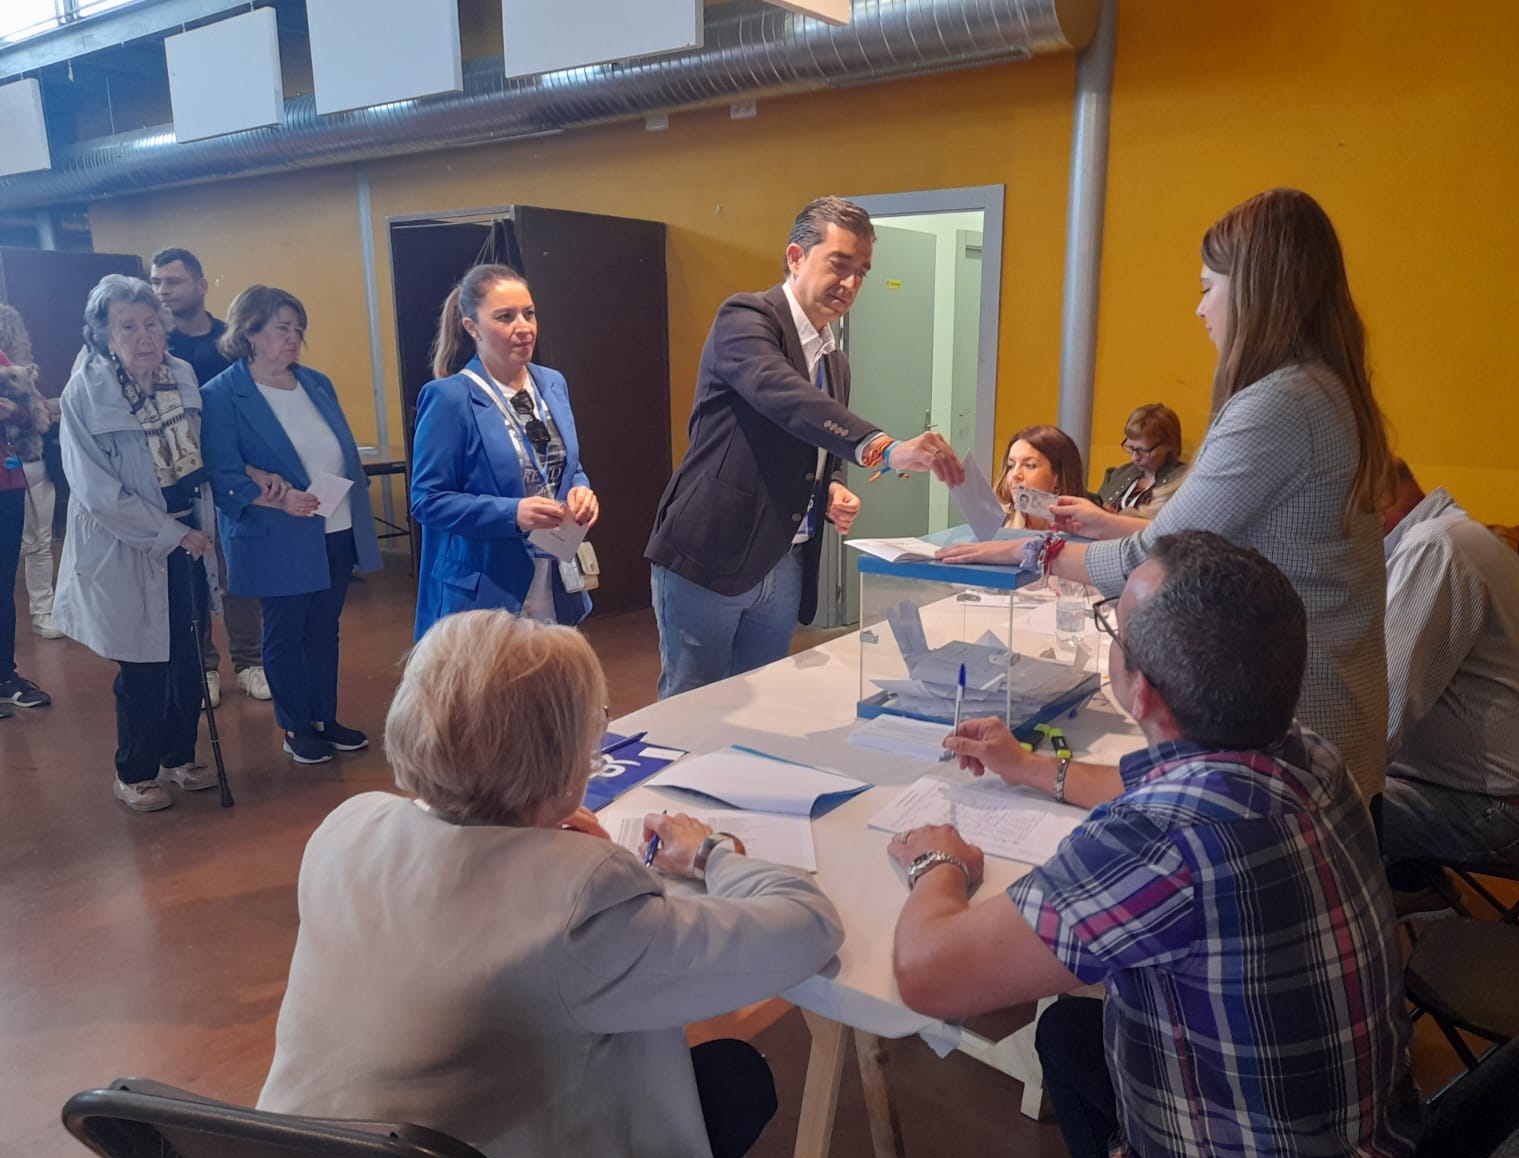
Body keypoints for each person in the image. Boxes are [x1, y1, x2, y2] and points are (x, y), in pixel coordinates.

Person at [873, 531, 1419, 1158]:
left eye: (1115, 630)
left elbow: (928, 978)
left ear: (1142, 696)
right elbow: (1174, 789)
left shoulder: (1162, 838)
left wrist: (937, 862)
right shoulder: (1310, 755)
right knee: (1068, 1036)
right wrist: (1034, 768)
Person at [257, 609, 844, 1158]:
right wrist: (711, 854)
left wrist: (548, 849)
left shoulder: (347, 827)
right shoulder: (583, 901)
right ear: (564, 752)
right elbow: (810, 927)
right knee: (739, 1079)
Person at [940, 189, 1393, 798]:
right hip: (1331, 728)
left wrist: (1031, 549)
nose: (1200, 309)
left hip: (1297, 744)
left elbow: (1156, 557)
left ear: (1257, 290)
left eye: (1209, 286)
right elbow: (1215, 533)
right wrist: (1104, 523)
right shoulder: (1324, 390)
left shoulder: (1280, 404)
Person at [646, 196, 966, 699]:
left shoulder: (834, 358)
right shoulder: (747, 317)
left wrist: (833, 487)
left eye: (862, 271)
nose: (852, 283)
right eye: (839, 265)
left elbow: (819, 447)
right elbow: (785, 398)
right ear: (796, 257)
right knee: (693, 705)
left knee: (761, 701)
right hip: (711, 550)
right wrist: (882, 447)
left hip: (785, 558)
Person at [53, 275, 219, 810]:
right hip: (129, 547)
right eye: (129, 327)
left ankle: (177, 758)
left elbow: (202, 459)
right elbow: (97, 491)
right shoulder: (85, 392)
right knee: (144, 664)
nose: (144, 336)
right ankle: (136, 771)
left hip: (189, 537)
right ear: (105, 333)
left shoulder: (185, 376)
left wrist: (198, 531)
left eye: (152, 324)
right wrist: (171, 534)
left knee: (190, 656)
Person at [201, 285, 381, 766]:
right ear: (249, 333)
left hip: (335, 525)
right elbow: (221, 473)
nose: (293, 339)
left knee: (324, 629)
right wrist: (278, 501)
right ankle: (296, 726)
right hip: (277, 533)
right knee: (284, 632)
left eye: (298, 329)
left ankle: (326, 717)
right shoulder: (223, 394)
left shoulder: (316, 383)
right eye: (282, 328)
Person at [1378, 458, 1519, 876]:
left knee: (1299, 810)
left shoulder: (1435, 545)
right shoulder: (1452, 534)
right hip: (1495, 799)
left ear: (1376, 496)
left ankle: (1381, 919)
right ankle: (1412, 893)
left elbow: (1382, 716)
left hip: (1498, 812)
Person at [410, 264, 600, 640]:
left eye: (528, 313)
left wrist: (581, 488)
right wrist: (513, 512)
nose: (523, 326)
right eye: (505, 317)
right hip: (485, 585)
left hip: (552, 576)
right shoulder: (449, 398)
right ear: (472, 327)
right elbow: (427, 500)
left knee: (549, 692)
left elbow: (564, 465)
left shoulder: (552, 383)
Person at [151, 246, 271, 705]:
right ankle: (203, 666)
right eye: (158, 282)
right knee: (192, 575)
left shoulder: (230, 341)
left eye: (174, 281)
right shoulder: (157, 346)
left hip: (231, 474)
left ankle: (250, 662)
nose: (164, 291)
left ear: (201, 286)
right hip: (179, 482)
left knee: (235, 571)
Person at [0, 304, 63, 641]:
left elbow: (38, 414)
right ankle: (42, 611)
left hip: (31, 463)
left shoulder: (19, 369)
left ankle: (44, 610)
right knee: (35, 542)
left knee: (37, 541)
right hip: (16, 469)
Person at [0, 352, 52, 714]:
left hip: (7, 484)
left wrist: (16, 413)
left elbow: (36, 411)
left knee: (3, 586)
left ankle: (4, 676)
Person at [1093, 404, 1187, 519]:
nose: (1135, 457)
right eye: (1130, 448)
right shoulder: (1117, 475)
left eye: (1143, 450)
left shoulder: (1184, 481)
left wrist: (1118, 521)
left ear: (1169, 445)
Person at [993, 425, 1086, 531]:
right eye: (1011, 466)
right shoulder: (997, 520)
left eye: (1030, 465)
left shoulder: (1086, 530)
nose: (1015, 474)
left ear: (1058, 478)